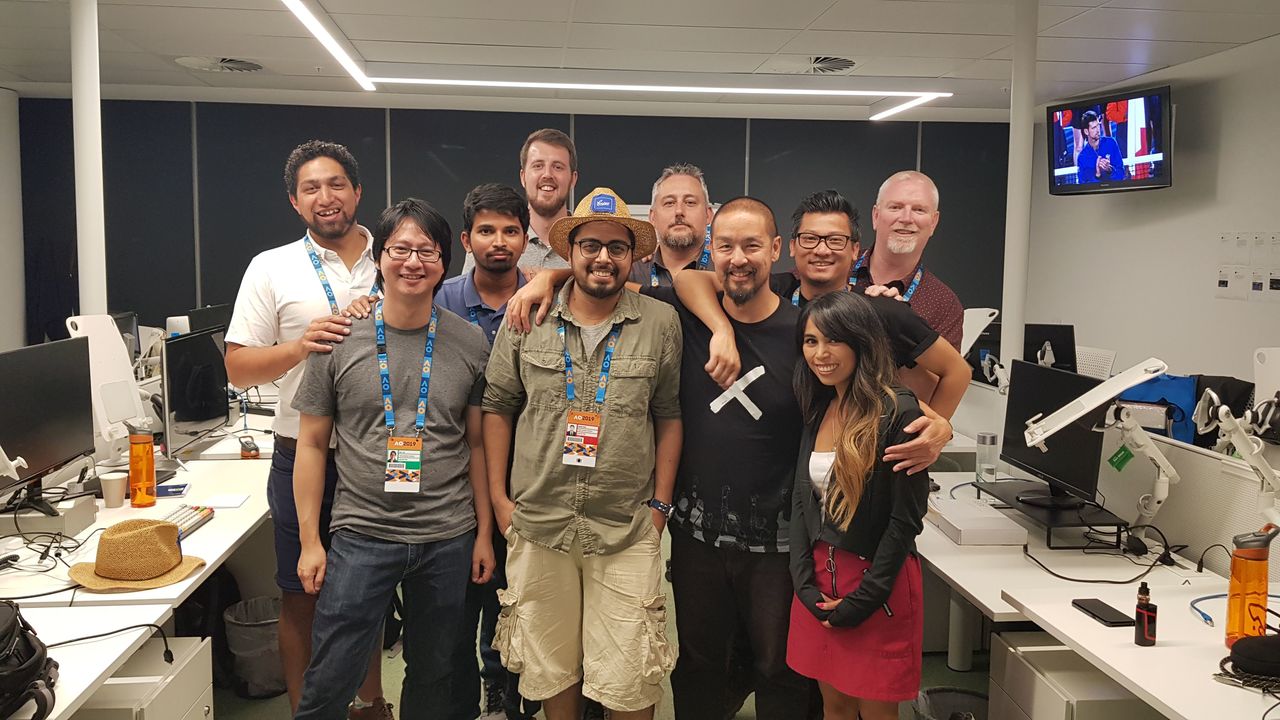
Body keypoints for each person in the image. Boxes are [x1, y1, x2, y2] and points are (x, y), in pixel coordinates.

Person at [483, 187, 682, 720]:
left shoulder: (660, 322)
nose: (603, 257)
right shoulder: (529, 315)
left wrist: (660, 508)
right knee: (552, 671)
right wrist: (501, 501)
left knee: (630, 678)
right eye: (590, 245)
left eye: (616, 248)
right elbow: (498, 406)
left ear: (632, 256)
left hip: (625, 528)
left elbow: (668, 415)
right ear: (568, 252)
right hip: (539, 522)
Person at [292, 198, 494, 719]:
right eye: (400, 248)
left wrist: (485, 534)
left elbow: (476, 444)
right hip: (362, 533)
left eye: (426, 251)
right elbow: (312, 445)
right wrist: (311, 541)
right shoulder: (337, 339)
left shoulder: (470, 341)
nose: (413, 262)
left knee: (435, 671)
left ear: (445, 263)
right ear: (379, 257)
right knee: (332, 672)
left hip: (447, 536)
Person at [223, 139, 388, 718]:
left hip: (381, 454)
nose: (326, 197)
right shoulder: (271, 268)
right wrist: (298, 346)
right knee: (304, 596)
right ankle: (306, 711)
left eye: (337, 184)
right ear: (295, 202)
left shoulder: (396, 256)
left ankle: (371, 704)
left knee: (369, 599)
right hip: (303, 453)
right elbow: (238, 366)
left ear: (358, 191)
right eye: (311, 188)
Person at [643, 196, 811, 719]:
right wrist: (540, 280)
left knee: (780, 668)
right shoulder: (687, 318)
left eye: (752, 245)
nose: (738, 258)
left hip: (779, 543)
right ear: (709, 251)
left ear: (776, 250)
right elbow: (596, 281)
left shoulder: (807, 335)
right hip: (697, 538)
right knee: (698, 664)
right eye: (725, 246)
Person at [788, 291, 930, 720]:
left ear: (861, 342)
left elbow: (905, 521)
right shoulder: (822, 405)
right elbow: (800, 499)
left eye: (833, 340)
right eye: (811, 341)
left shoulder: (899, 413)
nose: (821, 354)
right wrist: (804, 585)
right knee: (835, 706)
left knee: (876, 711)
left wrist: (864, 600)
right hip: (820, 576)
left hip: (877, 583)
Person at [769, 190, 970, 421]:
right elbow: (719, 282)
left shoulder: (881, 309)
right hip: (782, 445)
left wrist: (936, 431)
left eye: (835, 240)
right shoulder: (773, 294)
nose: (821, 250)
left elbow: (957, 371)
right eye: (810, 238)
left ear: (855, 250)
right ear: (792, 246)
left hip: (857, 446)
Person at [850, 171, 963, 353]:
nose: (906, 218)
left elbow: (944, 379)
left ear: (933, 222)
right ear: (876, 216)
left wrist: (904, 332)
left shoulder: (944, 304)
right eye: (895, 207)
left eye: (919, 210)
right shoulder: (835, 269)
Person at [463, 128, 578, 278]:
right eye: (538, 166)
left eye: (558, 167)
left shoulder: (586, 243)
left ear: (573, 179)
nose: (547, 174)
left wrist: (551, 277)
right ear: (523, 177)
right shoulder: (489, 241)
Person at [629, 163, 714, 288]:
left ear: (708, 215)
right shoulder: (632, 272)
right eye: (669, 203)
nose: (679, 211)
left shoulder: (728, 269)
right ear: (653, 217)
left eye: (690, 202)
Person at [1076, 110, 1126, 184]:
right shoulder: (1082, 157)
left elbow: (1121, 174)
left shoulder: (1111, 143)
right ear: (1086, 131)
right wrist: (1097, 175)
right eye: (1094, 128)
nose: (1098, 130)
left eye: (1098, 125)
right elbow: (1084, 185)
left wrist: (1110, 170)